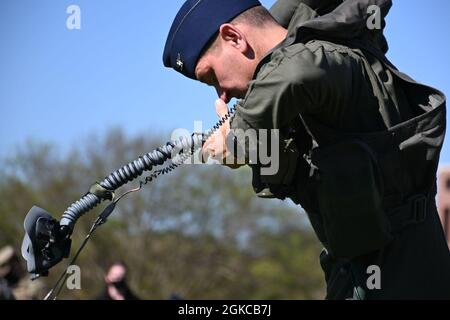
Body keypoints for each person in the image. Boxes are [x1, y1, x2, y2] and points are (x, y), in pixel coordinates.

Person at [162, 0, 450, 299]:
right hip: (352, 271)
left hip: (403, 274)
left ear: (234, 37)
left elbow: (299, 72)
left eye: (211, 76)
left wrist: (236, 137)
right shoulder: (286, 92)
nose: (220, 92)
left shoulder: (324, 56)